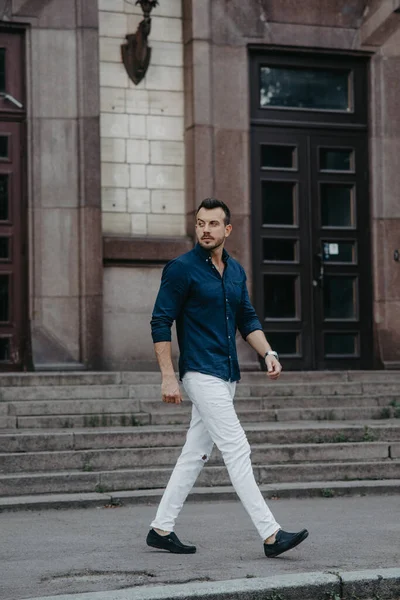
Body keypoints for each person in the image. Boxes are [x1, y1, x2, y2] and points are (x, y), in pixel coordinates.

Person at [146, 198, 308, 558]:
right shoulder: (181, 269)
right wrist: (168, 377)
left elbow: (247, 318)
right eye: (200, 223)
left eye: (213, 224)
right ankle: (271, 534)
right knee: (237, 447)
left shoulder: (235, 272)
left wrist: (268, 353)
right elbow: (160, 321)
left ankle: (161, 528)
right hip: (200, 372)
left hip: (227, 373)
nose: (205, 229)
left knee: (196, 452)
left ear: (227, 230)